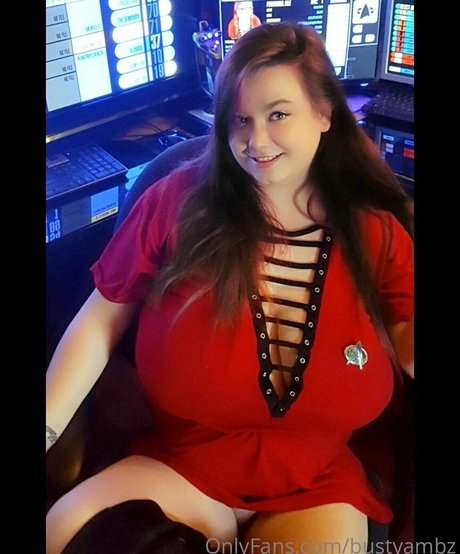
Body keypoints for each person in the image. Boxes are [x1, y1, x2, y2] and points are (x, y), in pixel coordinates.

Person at [46, 22, 414, 554]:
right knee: (63, 533)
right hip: (183, 466)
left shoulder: (374, 231)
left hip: (316, 484)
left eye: (278, 115)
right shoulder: (173, 203)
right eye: (240, 119)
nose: (256, 141)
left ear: (324, 113)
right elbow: (100, 321)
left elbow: (407, 338)